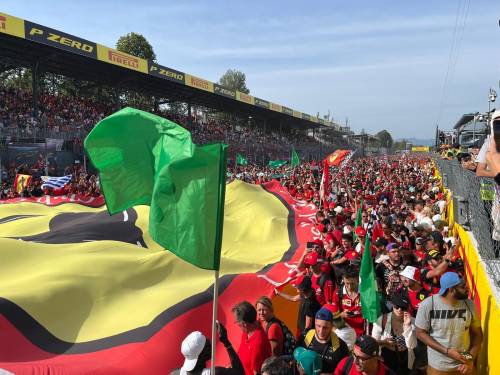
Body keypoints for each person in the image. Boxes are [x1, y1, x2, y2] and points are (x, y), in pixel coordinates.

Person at [415, 272, 483, 375]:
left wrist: (469, 359)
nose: (467, 288)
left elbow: (478, 334)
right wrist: (447, 351)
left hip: (464, 366)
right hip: (439, 368)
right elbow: (420, 333)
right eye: (463, 286)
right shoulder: (428, 304)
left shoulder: (469, 304)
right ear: (451, 290)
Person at [371, 293, 417, 375]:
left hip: (405, 357)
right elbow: (373, 342)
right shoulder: (382, 320)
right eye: (397, 307)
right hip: (387, 357)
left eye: (403, 308)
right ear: (393, 306)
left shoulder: (412, 321)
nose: (399, 310)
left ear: (407, 308)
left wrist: (407, 326)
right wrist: (384, 342)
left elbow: (412, 345)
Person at [173, 322, 243, 375]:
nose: (211, 345)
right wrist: (226, 342)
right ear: (201, 354)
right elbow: (240, 372)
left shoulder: (175, 373)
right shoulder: (215, 372)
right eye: (208, 346)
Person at [298, 307, 349, 373]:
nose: (321, 331)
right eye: (318, 326)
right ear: (315, 323)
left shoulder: (341, 347)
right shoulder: (304, 338)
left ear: (331, 326)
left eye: (325, 328)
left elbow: (345, 371)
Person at [232, 301, 272, 375]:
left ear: (244, 324)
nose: (237, 324)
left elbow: (256, 373)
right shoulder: (247, 332)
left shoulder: (258, 344)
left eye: (237, 322)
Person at [330, 267, 364, 336]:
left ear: (358, 279)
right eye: (347, 283)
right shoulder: (338, 293)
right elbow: (332, 318)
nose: (350, 287)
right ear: (343, 279)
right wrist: (341, 315)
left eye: (352, 283)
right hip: (346, 334)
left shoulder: (365, 292)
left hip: (363, 334)